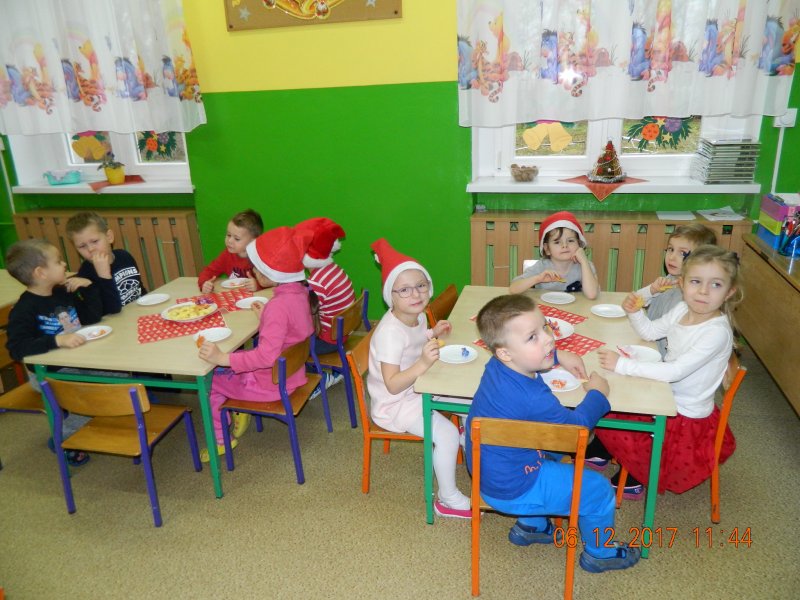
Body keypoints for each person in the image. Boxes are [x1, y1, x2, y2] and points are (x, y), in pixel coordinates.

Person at [465, 294, 641, 573]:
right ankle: (601, 553)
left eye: (545, 327)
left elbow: (528, 362)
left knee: (551, 451)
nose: (548, 339)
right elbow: (577, 429)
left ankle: (532, 525)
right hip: (515, 487)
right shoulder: (534, 397)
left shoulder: (496, 366)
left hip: (488, 474)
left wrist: (558, 356)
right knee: (597, 490)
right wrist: (598, 394)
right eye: (532, 337)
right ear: (505, 353)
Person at [593, 245, 740, 499]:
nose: (703, 291)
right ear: (682, 284)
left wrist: (622, 365)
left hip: (683, 415)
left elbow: (675, 371)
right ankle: (618, 455)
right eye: (696, 281)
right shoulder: (683, 309)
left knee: (609, 409)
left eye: (716, 284)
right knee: (609, 399)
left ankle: (641, 473)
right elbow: (650, 332)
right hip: (665, 395)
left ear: (729, 292)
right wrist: (635, 312)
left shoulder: (716, 332)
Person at [367, 238, 471, 519]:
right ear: (391, 296)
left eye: (421, 285)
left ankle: (466, 437)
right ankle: (447, 499)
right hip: (395, 403)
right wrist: (424, 363)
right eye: (404, 290)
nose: (415, 294)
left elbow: (414, 340)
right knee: (446, 435)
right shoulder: (390, 333)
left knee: (468, 396)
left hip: (419, 385)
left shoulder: (417, 315)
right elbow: (392, 384)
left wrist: (433, 333)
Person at [197, 226, 316, 462]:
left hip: (271, 385)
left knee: (211, 382)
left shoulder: (277, 307)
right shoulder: (299, 293)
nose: (252, 270)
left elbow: (265, 357)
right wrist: (267, 320)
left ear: (272, 272)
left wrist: (222, 358)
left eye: (258, 267)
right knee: (224, 369)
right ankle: (232, 412)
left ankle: (221, 440)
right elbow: (293, 331)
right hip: (291, 375)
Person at [5, 239, 104, 467]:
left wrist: (89, 288)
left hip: (77, 362)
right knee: (94, 396)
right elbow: (16, 348)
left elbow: (91, 318)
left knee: (119, 379)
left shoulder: (62, 292)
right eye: (58, 261)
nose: (65, 264)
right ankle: (64, 437)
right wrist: (56, 340)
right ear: (41, 273)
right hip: (49, 374)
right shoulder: (24, 309)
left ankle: (115, 408)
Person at [634, 223, 717, 358]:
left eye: (682, 253)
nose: (672, 257)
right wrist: (652, 290)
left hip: (663, 357)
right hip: (647, 340)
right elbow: (635, 301)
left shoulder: (693, 298)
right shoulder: (670, 279)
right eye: (670, 249)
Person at [295, 217, 355, 356]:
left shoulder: (317, 283)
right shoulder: (333, 269)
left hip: (328, 340)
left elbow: (301, 318)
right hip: (341, 332)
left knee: (286, 345)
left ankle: (320, 374)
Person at [65, 211, 146, 314]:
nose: (90, 249)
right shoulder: (85, 274)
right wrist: (104, 276)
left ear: (109, 237)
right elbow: (112, 310)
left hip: (138, 312)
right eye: (82, 246)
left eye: (95, 241)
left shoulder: (124, 256)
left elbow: (139, 289)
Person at [509, 211, 600, 299]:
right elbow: (513, 289)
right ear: (547, 249)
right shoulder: (541, 267)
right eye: (557, 242)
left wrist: (584, 261)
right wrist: (538, 279)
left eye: (570, 240)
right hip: (546, 308)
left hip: (576, 308)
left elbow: (592, 295)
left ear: (579, 244)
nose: (565, 245)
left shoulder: (585, 266)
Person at [197, 209, 264, 293]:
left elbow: (273, 281)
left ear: (252, 241)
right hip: (234, 296)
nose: (229, 241)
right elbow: (208, 271)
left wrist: (258, 285)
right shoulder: (227, 255)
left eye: (237, 239)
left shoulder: (261, 256)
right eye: (228, 235)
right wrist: (204, 283)